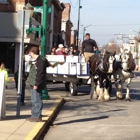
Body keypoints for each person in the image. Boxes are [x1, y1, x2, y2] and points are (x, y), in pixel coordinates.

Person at [27, 46, 55, 122]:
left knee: (37, 100)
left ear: (32, 53)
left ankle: (37, 116)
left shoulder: (40, 62)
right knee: (34, 100)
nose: (30, 54)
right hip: (33, 83)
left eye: (30, 53)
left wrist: (37, 84)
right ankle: (34, 115)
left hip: (36, 84)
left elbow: (40, 74)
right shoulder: (36, 60)